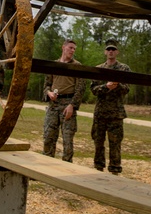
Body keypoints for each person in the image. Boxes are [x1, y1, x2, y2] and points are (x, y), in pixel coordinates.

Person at [41, 39, 87, 162]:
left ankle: (66, 168)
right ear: (63, 47)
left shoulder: (77, 66)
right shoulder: (53, 65)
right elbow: (46, 85)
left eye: (74, 49)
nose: (72, 51)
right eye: (70, 48)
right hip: (53, 105)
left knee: (67, 140)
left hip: (68, 104)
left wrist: (72, 105)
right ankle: (46, 165)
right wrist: (49, 93)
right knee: (48, 137)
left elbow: (80, 88)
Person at [90, 39, 130, 174]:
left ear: (117, 52)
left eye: (113, 49)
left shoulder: (123, 68)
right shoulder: (99, 68)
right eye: (108, 49)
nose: (111, 52)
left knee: (115, 143)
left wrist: (117, 85)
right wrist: (106, 87)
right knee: (98, 142)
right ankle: (98, 167)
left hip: (116, 114)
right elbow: (94, 90)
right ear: (105, 52)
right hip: (100, 113)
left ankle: (115, 169)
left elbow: (127, 89)